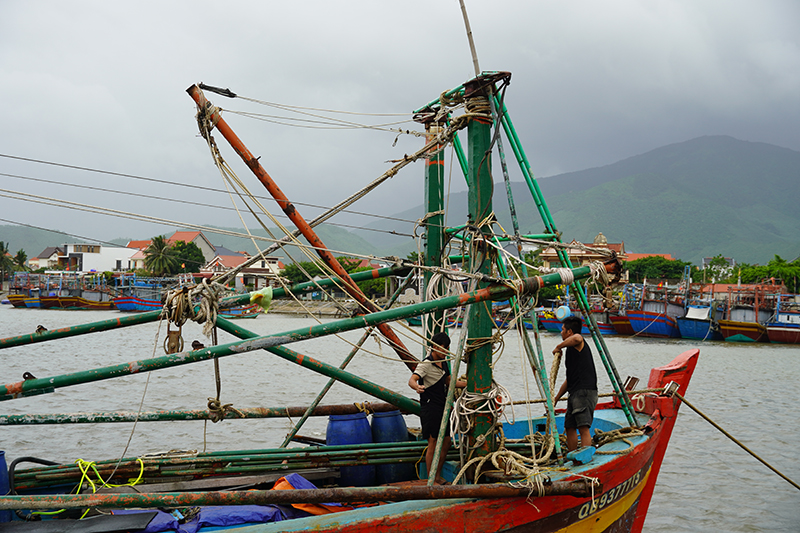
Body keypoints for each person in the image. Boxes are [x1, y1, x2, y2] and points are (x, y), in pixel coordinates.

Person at [408, 332, 465, 483]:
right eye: (443, 348)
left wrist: (468, 384)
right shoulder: (425, 364)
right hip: (430, 407)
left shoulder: (443, 362)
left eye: (447, 348)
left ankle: (438, 474)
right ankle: (431, 478)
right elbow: (412, 380)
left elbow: (448, 381)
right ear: (434, 347)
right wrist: (417, 387)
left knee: (446, 441)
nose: (446, 351)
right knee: (433, 441)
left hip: (442, 406)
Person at [552, 316, 598, 452]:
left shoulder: (578, 342)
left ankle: (585, 458)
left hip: (584, 392)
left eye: (563, 330)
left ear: (569, 332)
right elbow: (569, 380)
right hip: (575, 392)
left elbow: (578, 338)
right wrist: (556, 398)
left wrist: (558, 347)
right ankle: (571, 456)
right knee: (570, 427)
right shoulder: (571, 350)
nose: (561, 333)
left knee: (583, 427)